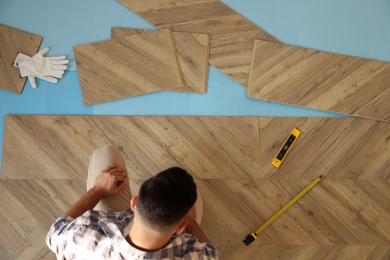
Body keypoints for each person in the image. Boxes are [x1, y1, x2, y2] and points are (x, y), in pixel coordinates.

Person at [46, 145, 219, 259]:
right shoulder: (194, 254)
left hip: (112, 222)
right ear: (181, 227)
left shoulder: (82, 236)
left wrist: (96, 190)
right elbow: (211, 254)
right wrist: (192, 223)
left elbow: (55, 233)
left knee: (105, 153)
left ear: (134, 203)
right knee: (194, 194)